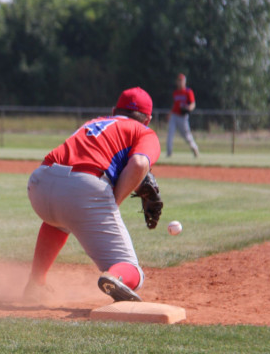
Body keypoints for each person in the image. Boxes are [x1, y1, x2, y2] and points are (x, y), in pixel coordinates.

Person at [24, 87, 162, 303]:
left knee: (58, 220)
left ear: (114, 110)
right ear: (148, 119)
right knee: (134, 272)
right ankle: (114, 278)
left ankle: (35, 282)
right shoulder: (144, 131)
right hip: (84, 188)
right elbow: (139, 163)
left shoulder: (94, 122)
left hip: (40, 182)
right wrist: (111, 204)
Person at [167, 73, 199, 157]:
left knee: (187, 135)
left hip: (183, 116)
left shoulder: (188, 92)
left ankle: (194, 148)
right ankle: (169, 153)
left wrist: (188, 108)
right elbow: (174, 105)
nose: (180, 82)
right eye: (179, 81)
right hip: (174, 115)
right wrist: (170, 114)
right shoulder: (176, 92)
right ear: (177, 82)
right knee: (170, 134)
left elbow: (193, 104)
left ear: (185, 82)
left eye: (182, 81)